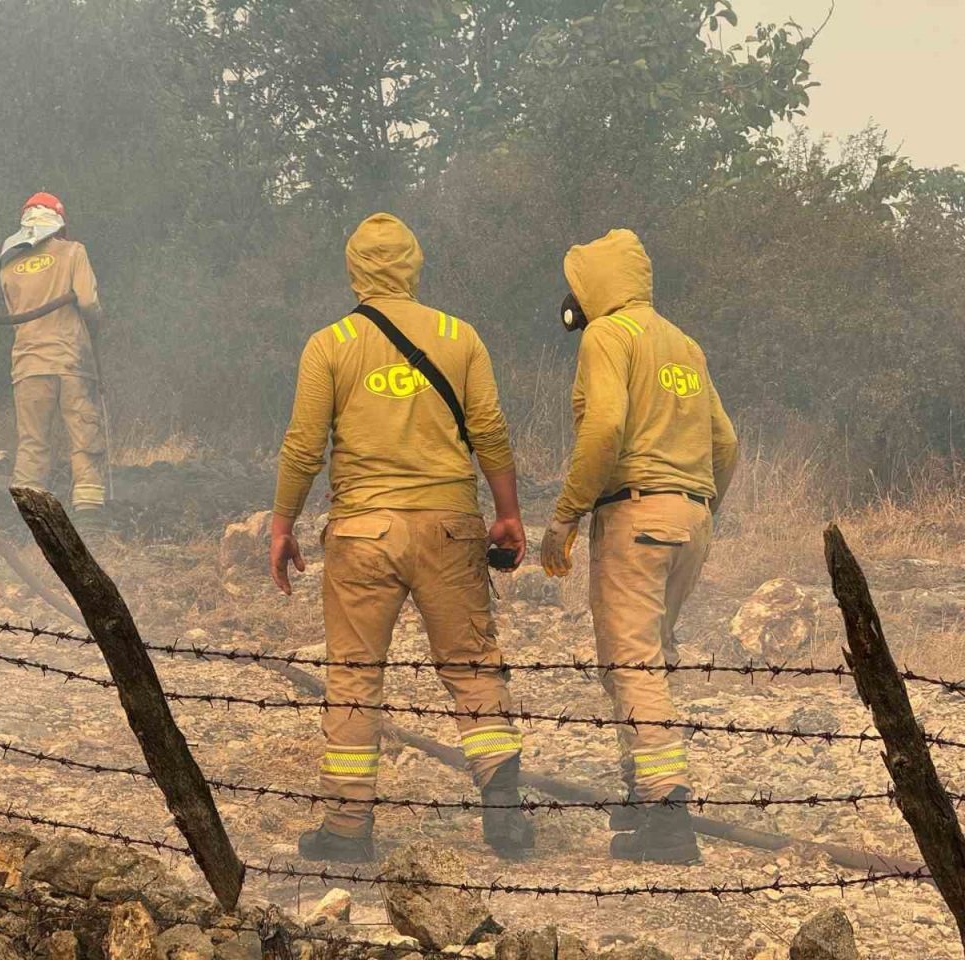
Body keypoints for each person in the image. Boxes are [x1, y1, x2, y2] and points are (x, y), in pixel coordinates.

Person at [269, 212, 533, 863]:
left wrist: (282, 523)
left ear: (354, 269)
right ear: (414, 265)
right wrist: (507, 513)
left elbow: (304, 446)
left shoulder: (329, 343)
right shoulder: (459, 336)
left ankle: (347, 828)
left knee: (355, 676)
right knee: (472, 666)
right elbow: (490, 431)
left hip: (362, 533)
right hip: (450, 525)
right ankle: (504, 812)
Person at [540, 228, 739, 865]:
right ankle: (641, 793)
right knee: (651, 654)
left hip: (636, 514)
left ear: (593, 284)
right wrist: (699, 509)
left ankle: (666, 814)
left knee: (632, 665)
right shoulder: (683, 342)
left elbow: (604, 427)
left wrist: (566, 515)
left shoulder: (607, 334)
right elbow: (726, 442)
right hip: (691, 517)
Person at [0, 192, 109, 534]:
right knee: (84, 436)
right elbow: (88, 302)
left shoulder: (9, 264)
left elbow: (13, 315)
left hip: (29, 364)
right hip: (70, 360)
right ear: (59, 222)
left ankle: (28, 522)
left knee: (33, 442)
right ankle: (89, 517)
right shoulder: (73, 251)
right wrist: (97, 327)